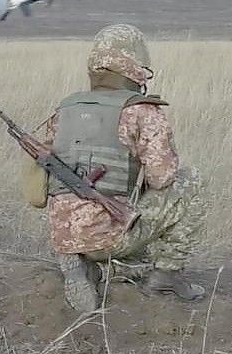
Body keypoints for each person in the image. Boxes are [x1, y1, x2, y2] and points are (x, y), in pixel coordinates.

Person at [27, 24, 206, 311]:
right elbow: (163, 178)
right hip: (110, 236)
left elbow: (37, 189)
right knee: (189, 180)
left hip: (64, 236)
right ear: (132, 64)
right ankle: (166, 273)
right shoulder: (142, 111)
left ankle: (77, 262)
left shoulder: (65, 110)